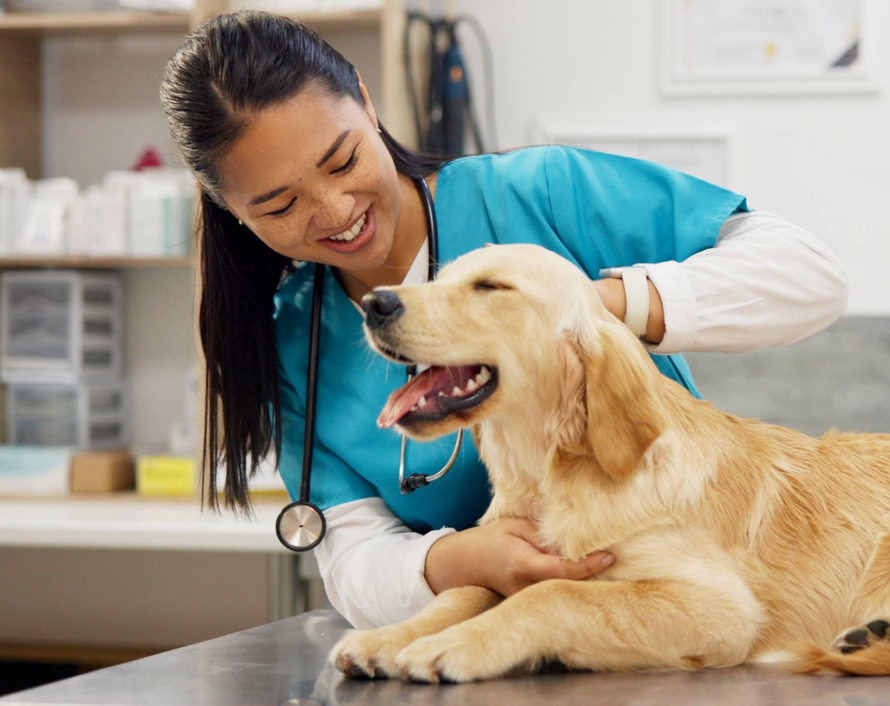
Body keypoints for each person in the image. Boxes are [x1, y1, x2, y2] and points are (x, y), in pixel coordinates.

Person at [161, 11, 848, 630]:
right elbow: (350, 556)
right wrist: (460, 561)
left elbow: (809, 276)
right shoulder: (292, 343)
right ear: (231, 210)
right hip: (494, 644)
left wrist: (588, 311)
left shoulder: (536, 196)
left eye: (343, 160)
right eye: (280, 206)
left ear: (367, 105)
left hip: (675, 615)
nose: (336, 211)